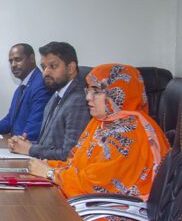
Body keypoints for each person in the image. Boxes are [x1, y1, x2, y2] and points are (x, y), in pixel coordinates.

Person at [28, 64, 170, 199]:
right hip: (87, 199)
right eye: (88, 90)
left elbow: (96, 185)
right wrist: (47, 164)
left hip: (113, 209)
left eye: (96, 92)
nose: (88, 97)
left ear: (116, 94)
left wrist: (50, 173)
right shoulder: (102, 121)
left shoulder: (129, 132)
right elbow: (75, 164)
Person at [9, 42, 91, 160]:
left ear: (71, 68)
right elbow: (51, 144)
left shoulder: (78, 101)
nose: (46, 72)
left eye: (53, 66)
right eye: (44, 67)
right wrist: (25, 144)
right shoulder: (56, 95)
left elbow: (70, 154)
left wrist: (30, 149)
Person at [0, 44, 52, 140]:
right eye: (11, 61)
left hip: (27, 145)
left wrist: (17, 143)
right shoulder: (21, 88)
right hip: (17, 143)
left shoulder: (41, 85)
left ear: (31, 58)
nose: (13, 65)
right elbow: (10, 119)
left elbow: (35, 126)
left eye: (18, 59)